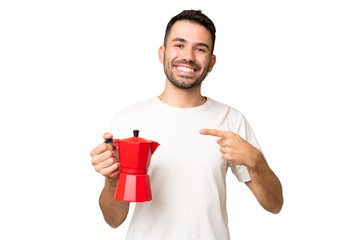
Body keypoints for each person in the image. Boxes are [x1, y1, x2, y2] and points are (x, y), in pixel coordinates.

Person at [90, 10, 283, 240]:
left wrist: (256, 161)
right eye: (179, 45)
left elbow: (274, 205)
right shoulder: (127, 118)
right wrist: (112, 180)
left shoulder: (231, 120)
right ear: (162, 53)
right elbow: (114, 220)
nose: (189, 56)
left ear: (211, 62)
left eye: (200, 48)